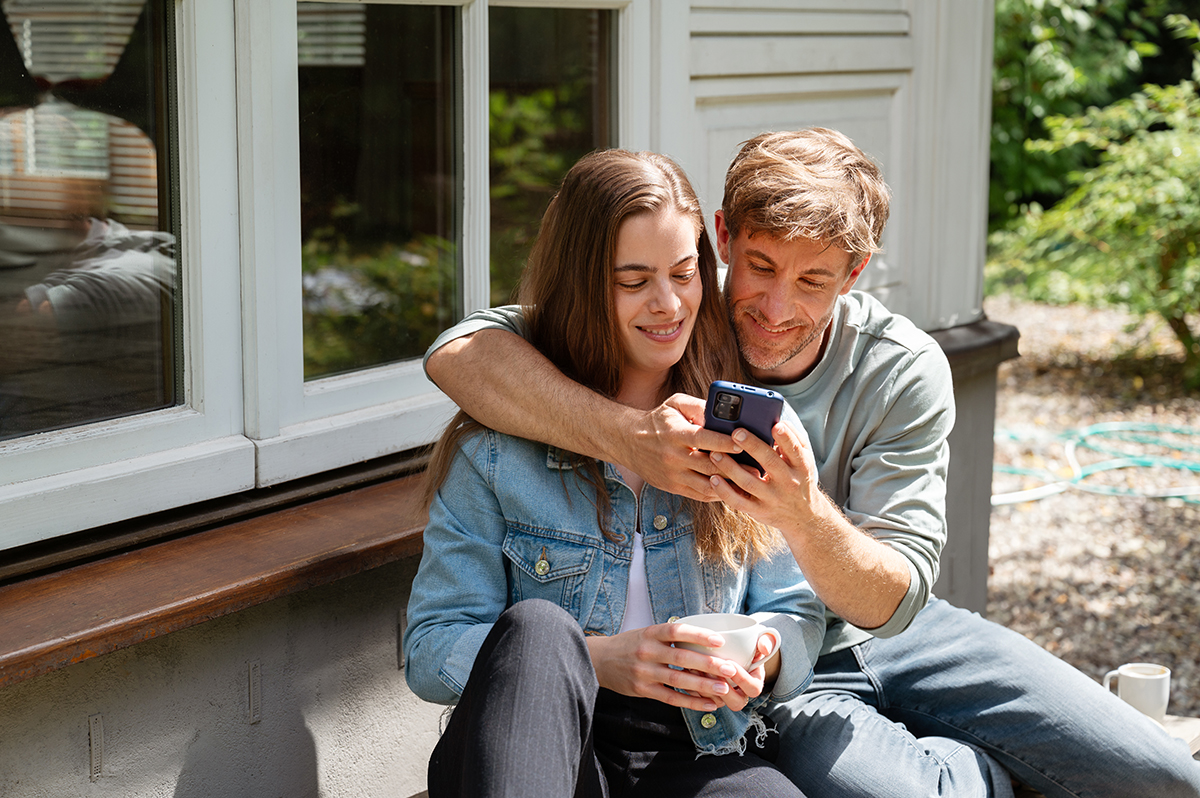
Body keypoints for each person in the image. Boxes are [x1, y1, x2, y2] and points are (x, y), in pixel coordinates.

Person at [423, 128, 1200, 797]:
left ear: (853, 276)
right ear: (724, 240)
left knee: (1159, 778)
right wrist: (628, 437)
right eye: (759, 268)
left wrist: (794, 518)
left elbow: (888, 600)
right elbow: (464, 355)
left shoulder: (897, 369)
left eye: (813, 281)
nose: (775, 307)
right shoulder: (664, 340)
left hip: (878, 629)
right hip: (757, 685)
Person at [402, 149, 827, 798]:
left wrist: (765, 657)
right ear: (582, 285)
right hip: (537, 741)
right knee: (541, 630)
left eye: (684, 274)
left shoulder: (743, 429)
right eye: (634, 281)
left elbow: (793, 607)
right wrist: (596, 661)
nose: (668, 304)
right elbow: (430, 648)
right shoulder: (496, 451)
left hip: (694, 744)